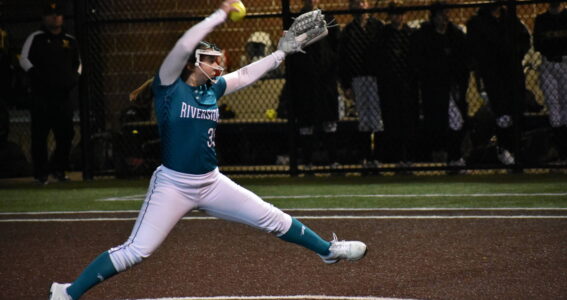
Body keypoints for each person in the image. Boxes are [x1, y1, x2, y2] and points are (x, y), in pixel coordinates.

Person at [48, 1, 367, 299]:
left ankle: (327, 251)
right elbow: (185, 44)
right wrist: (219, 15)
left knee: (273, 218)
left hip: (211, 183)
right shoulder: (169, 85)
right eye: (212, 60)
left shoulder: (213, 89)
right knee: (136, 251)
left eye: (219, 60)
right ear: (193, 63)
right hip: (173, 184)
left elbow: (244, 75)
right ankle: (67, 293)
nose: (219, 65)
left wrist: (281, 53)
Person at [19, 1, 81, 184]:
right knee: (40, 135)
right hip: (41, 97)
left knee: (66, 133)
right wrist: (37, 77)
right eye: (50, 14)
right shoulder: (36, 38)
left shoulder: (69, 40)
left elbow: (78, 63)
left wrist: (73, 79)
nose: (55, 17)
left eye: (58, 14)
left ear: (62, 17)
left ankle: (59, 168)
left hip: (62, 96)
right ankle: (41, 173)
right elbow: (24, 59)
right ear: (44, 18)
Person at [466, 0, 530, 165]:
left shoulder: (510, 18)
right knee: (502, 114)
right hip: (493, 75)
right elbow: (476, 50)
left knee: (517, 110)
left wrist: (516, 55)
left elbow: (524, 39)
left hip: (513, 73)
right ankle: (505, 147)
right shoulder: (477, 22)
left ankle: (515, 149)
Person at [410, 1, 470, 167]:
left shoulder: (455, 35)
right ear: (434, 17)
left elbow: (463, 63)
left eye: (446, 14)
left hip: (451, 86)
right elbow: (419, 62)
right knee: (439, 122)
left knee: (457, 120)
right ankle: (449, 156)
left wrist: (459, 83)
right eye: (441, 14)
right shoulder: (425, 36)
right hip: (434, 87)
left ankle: (454, 156)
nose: (445, 18)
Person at [284, 0, 341, 171]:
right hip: (304, 80)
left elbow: (336, 48)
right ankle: (307, 162)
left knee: (329, 119)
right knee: (305, 120)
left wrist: (333, 72)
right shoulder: (294, 20)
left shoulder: (328, 19)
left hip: (326, 80)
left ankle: (333, 160)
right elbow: (290, 51)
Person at [372, 1, 419, 166]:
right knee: (392, 122)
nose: (397, 17)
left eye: (400, 14)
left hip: (407, 86)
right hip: (389, 86)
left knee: (408, 121)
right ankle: (397, 157)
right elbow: (379, 60)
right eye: (394, 14)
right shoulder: (384, 35)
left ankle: (408, 157)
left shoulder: (410, 34)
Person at [339, 0, 384, 168]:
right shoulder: (349, 31)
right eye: (356, 3)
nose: (360, 6)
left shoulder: (377, 27)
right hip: (359, 78)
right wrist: (346, 85)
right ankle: (366, 157)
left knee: (377, 119)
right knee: (364, 119)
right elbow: (343, 60)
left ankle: (377, 157)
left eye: (363, 2)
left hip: (376, 78)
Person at [533, 1, 567, 161]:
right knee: (553, 106)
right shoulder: (541, 19)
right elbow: (538, 44)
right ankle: (561, 149)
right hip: (548, 63)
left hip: (566, 63)